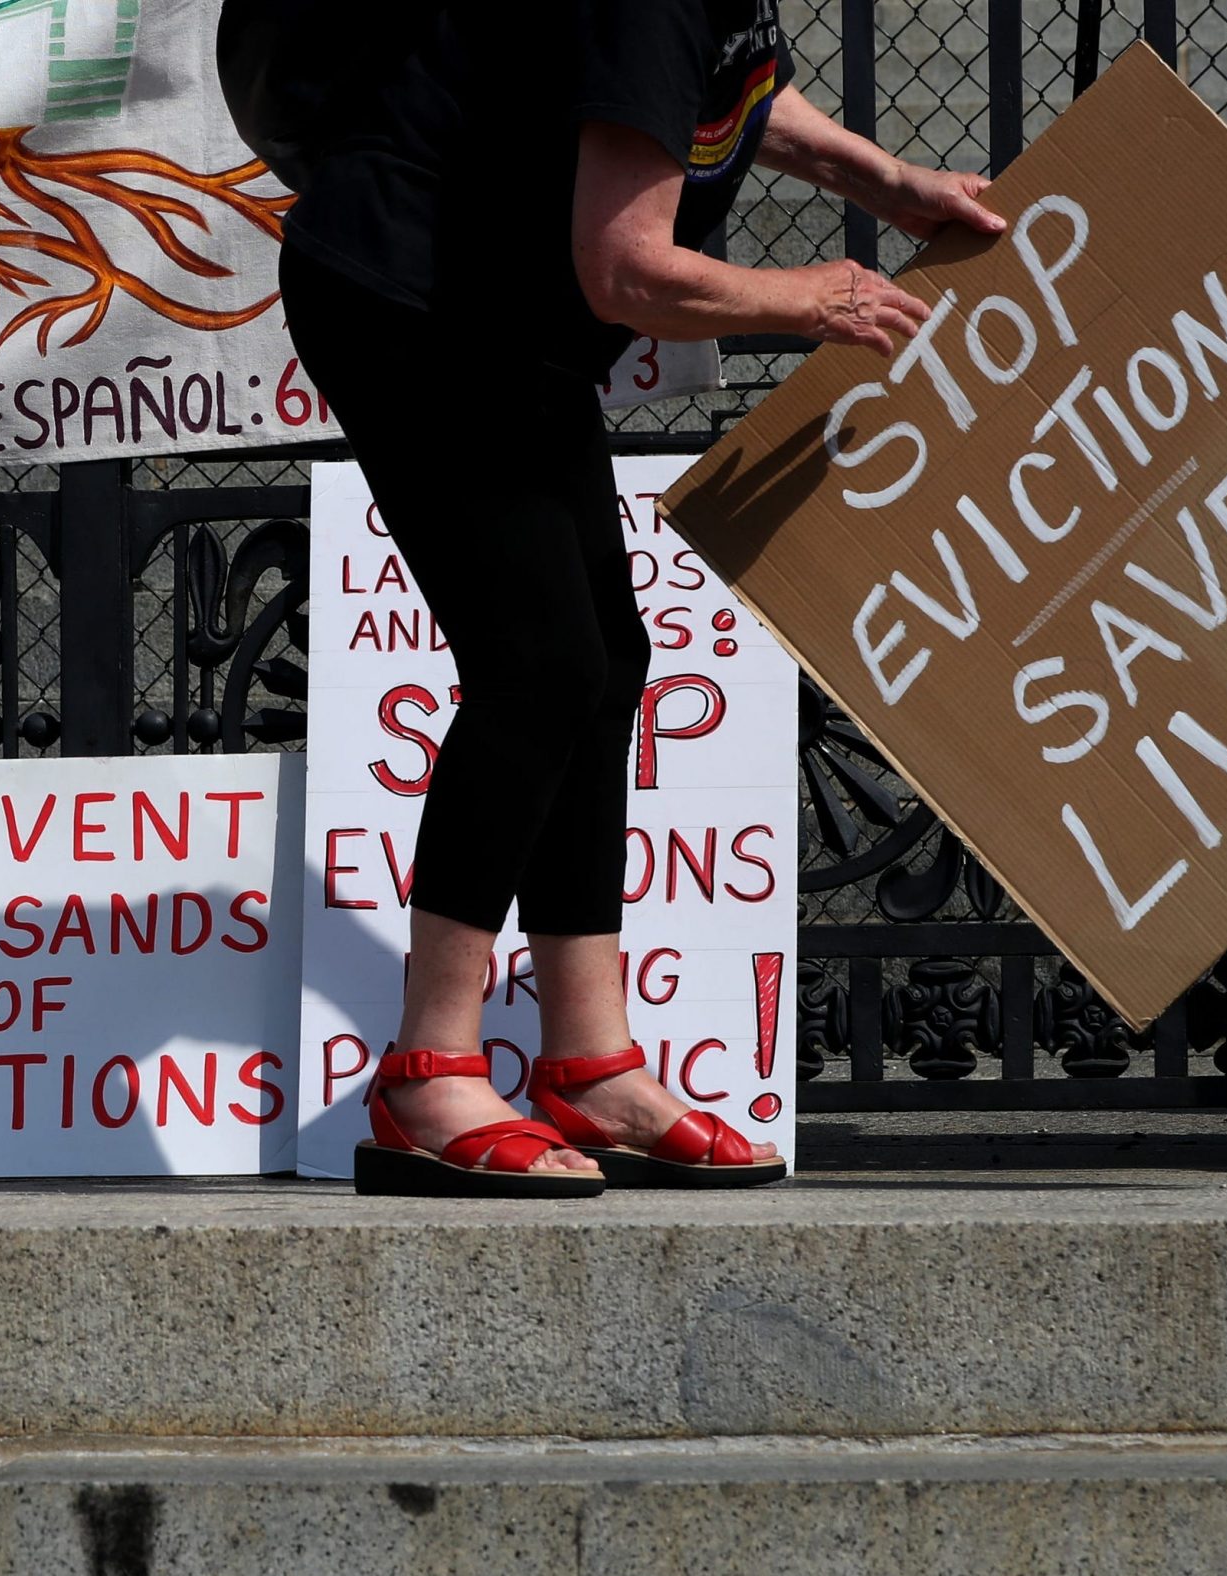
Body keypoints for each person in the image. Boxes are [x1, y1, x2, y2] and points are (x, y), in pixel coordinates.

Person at [270, 0, 1008, 1197]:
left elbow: (728, 99)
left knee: (604, 666)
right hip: (411, 302)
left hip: (508, 315)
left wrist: (888, 182)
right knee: (537, 666)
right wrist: (814, 300)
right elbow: (628, 273)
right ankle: (424, 1072)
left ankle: (588, 1064)